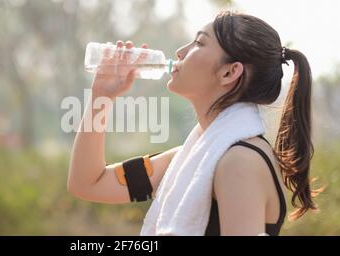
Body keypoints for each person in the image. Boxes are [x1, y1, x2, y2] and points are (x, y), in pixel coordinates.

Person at [67, 11, 319, 235]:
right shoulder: (190, 160)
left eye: (199, 42)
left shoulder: (239, 162)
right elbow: (88, 183)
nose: (180, 52)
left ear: (229, 73)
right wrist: (101, 96)